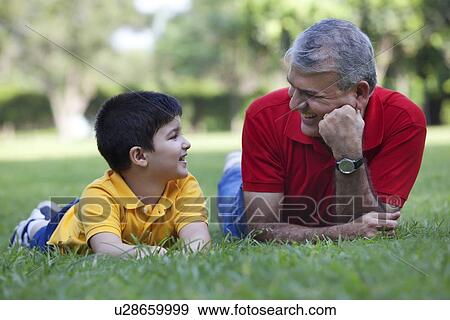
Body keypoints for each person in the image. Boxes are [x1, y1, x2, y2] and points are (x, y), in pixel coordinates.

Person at [217, 18, 426, 241]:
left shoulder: (404, 120)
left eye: (311, 94)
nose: (293, 105)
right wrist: (343, 233)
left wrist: (349, 153)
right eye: (292, 86)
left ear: (359, 93)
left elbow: (375, 227)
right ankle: (235, 169)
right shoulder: (263, 114)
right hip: (243, 208)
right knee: (232, 196)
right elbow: (261, 230)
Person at [10, 91, 211, 257]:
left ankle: (48, 211)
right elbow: (107, 249)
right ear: (139, 155)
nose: (187, 143)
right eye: (174, 136)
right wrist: (157, 254)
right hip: (63, 232)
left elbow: (197, 238)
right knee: (40, 235)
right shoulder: (99, 195)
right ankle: (31, 226)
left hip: (89, 211)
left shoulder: (184, 184)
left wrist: (192, 250)